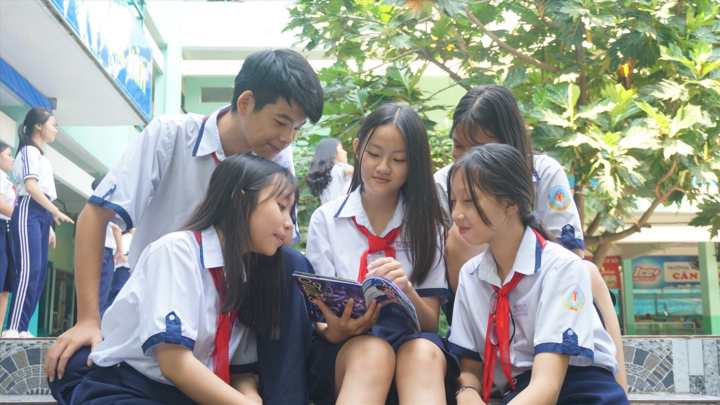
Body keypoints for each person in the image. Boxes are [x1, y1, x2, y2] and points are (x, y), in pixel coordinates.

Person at [44, 49, 324, 405]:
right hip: (161, 299)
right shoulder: (171, 135)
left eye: (297, 129)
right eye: (281, 122)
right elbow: (95, 216)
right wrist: (88, 319)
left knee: (289, 265)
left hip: (225, 300)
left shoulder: (278, 162)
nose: (288, 139)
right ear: (246, 101)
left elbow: (276, 245)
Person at [65, 154, 298, 404]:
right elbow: (174, 364)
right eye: (281, 207)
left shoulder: (245, 274)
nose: (289, 225)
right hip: (129, 388)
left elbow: (240, 372)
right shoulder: (176, 253)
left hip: (189, 394)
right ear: (239, 202)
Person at [436, 85, 626, 389]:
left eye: (481, 146)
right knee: (459, 239)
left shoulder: (543, 171)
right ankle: (488, 343)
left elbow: (569, 257)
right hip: (483, 293)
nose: (469, 157)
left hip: (543, 290)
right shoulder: (445, 182)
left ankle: (620, 388)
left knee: (586, 271)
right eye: (459, 146)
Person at [305, 104, 457, 405]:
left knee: (424, 353)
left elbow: (428, 323)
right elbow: (317, 313)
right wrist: (334, 330)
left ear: (413, 164)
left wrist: (407, 289)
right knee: (373, 352)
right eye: (374, 154)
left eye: (398, 159)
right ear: (358, 149)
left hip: (409, 341)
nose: (383, 167)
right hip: (345, 347)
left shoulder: (430, 226)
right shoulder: (327, 220)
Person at [2, 108, 74, 338]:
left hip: (41, 215)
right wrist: (55, 211)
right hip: (27, 211)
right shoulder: (28, 151)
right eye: (53, 124)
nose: (55, 129)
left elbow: (42, 191)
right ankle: (12, 328)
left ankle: (22, 328)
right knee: (27, 270)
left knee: (39, 273)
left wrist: (49, 224)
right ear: (39, 125)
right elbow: (31, 187)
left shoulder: (41, 155)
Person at [90, 175, 123, 316]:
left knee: (96, 289)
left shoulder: (93, 203)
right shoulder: (106, 202)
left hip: (95, 249)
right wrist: (120, 250)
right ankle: (98, 326)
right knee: (103, 289)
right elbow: (116, 227)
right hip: (105, 251)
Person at [306, 137, 353, 204]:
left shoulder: (325, 177)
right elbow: (351, 171)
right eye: (341, 149)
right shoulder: (338, 168)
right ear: (333, 152)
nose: (345, 152)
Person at [0, 141, 16, 331]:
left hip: (7, 230)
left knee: (5, 288)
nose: (12, 159)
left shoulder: (6, 179)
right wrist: (24, 218)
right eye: (9, 154)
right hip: (1, 228)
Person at [105, 227, 134, 309]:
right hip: (122, 271)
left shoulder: (134, 240)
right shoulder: (126, 238)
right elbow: (123, 257)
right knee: (118, 297)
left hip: (129, 272)